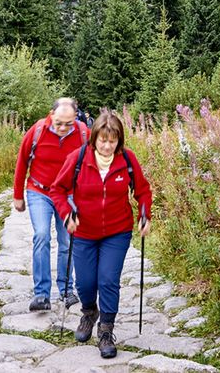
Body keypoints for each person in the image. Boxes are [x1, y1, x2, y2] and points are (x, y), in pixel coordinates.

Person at [50, 112, 152, 359]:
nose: (107, 146)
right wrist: (66, 214)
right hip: (84, 231)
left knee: (107, 280)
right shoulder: (78, 159)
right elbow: (57, 190)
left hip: (117, 232)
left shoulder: (127, 160)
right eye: (102, 140)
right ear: (94, 138)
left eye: (112, 141)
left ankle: (106, 329)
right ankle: (88, 312)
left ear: (119, 141)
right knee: (85, 284)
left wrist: (144, 214)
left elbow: (143, 191)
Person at [13, 97, 88, 311]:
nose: (63, 128)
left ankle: (66, 290)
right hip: (40, 191)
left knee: (67, 241)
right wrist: (18, 195)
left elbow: (92, 163)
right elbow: (22, 161)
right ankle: (41, 294)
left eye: (68, 123)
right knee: (42, 235)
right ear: (51, 115)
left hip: (68, 194)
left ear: (76, 118)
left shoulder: (83, 134)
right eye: (59, 123)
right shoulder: (37, 131)